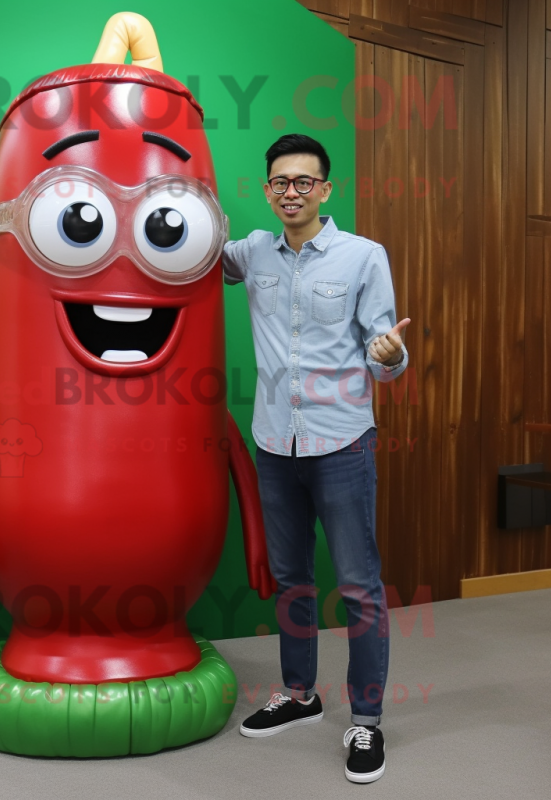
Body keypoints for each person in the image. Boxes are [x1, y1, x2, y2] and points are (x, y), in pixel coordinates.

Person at [223, 133, 410, 784]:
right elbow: (193, 251)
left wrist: (391, 357)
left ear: (325, 189)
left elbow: (385, 350)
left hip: (342, 443)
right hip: (276, 443)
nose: (292, 192)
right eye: (280, 182)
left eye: (304, 182)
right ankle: (300, 695)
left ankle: (367, 721)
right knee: (292, 581)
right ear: (268, 189)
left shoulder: (363, 257)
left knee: (358, 588)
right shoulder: (252, 252)